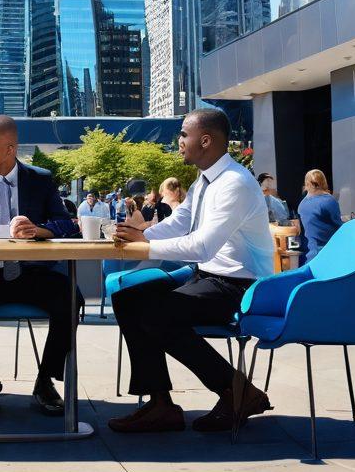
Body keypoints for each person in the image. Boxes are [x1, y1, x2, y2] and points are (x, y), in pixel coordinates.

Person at [107, 108, 275, 434]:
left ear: (206, 140)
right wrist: (138, 235)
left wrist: (144, 245)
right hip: (207, 277)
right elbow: (180, 222)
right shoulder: (205, 180)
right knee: (128, 299)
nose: (180, 141)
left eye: (184, 134)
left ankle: (238, 391)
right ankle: (160, 404)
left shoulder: (235, 183)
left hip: (240, 286)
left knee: (155, 313)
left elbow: (202, 246)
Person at [0, 115, 80, 417]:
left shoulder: (40, 178)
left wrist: (39, 230)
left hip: (33, 272)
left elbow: (66, 224)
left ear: (10, 148)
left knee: (72, 299)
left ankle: (45, 380)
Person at [296, 170, 341, 264]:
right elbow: (339, 226)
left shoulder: (302, 205)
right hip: (329, 253)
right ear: (323, 181)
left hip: (312, 254)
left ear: (307, 184)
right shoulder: (329, 200)